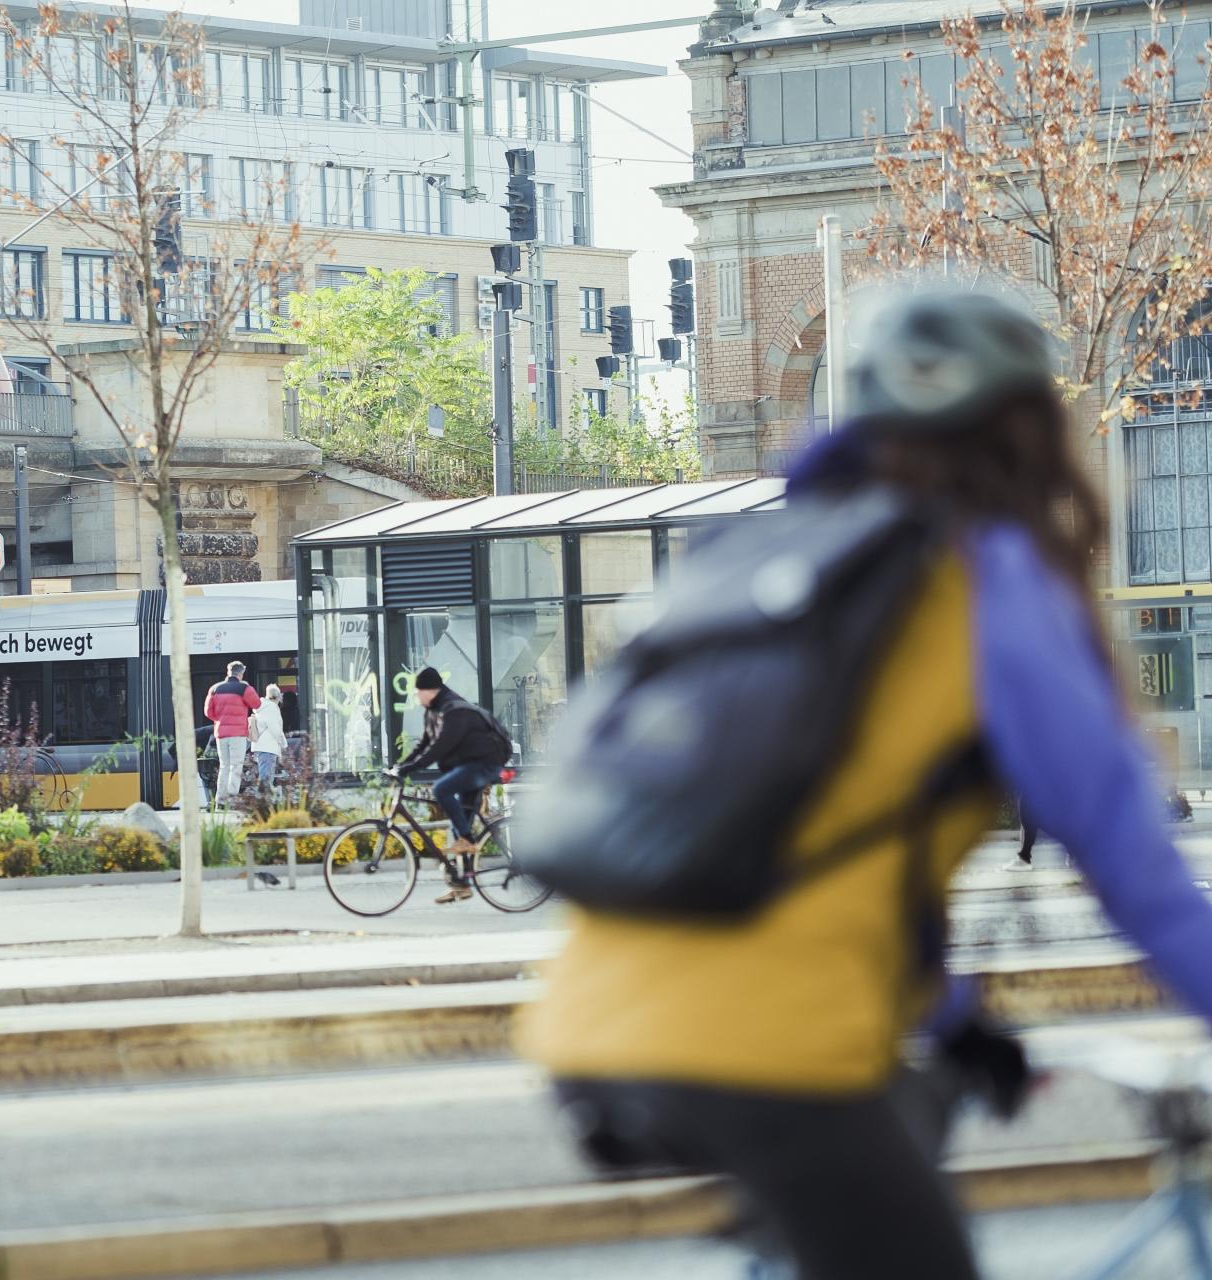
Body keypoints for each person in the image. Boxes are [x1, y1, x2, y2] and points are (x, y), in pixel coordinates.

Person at [519, 286, 1212, 1280]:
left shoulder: (782, 561)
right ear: (1033, 433)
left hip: (592, 1016)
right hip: (767, 1044)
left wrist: (948, 1018)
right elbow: (1136, 874)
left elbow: (816, 843)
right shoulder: (990, 584)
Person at [387, 667, 511, 904]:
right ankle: (461, 885)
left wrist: (411, 769)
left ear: (429, 691)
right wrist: (400, 766)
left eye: (417, 692)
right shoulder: (433, 712)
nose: (416, 697)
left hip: (484, 764)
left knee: (441, 789)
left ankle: (468, 838)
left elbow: (440, 748)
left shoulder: (454, 711)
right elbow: (424, 744)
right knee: (457, 824)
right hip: (468, 765)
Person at [202, 661, 261, 804]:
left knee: (224, 766)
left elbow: (208, 712)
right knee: (236, 766)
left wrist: (220, 720)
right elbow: (257, 704)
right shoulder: (244, 688)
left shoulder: (215, 688)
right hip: (238, 734)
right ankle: (231, 800)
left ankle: (220, 801)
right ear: (241, 673)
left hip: (221, 734)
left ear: (228, 672)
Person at [250, 683, 287, 789]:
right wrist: (284, 744)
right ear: (278, 697)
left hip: (262, 746)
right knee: (266, 778)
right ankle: (263, 801)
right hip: (268, 747)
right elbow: (276, 730)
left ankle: (264, 799)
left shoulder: (262, 707)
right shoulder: (271, 708)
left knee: (265, 776)